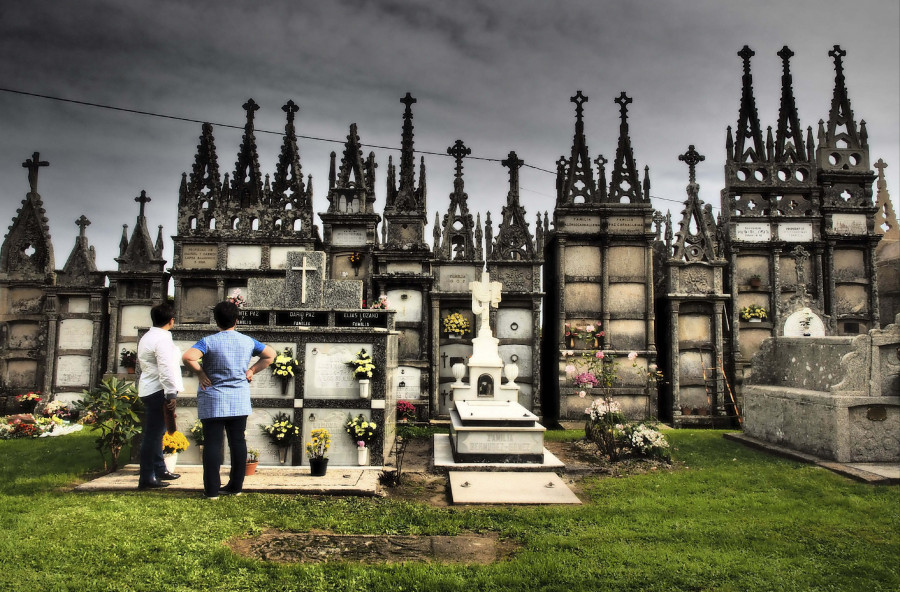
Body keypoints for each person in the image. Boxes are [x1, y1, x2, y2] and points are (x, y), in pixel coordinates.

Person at [182, 301, 275, 499]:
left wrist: (200, 373)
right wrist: (251, 370)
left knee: (213, 444)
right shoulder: (247, 341)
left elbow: (188, 357)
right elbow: (270, 355)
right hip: (238, 398)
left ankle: (212, 490)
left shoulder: (208, 341)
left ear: (215, 320)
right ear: (236, 319)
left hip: (213, 398)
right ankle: (235, 487)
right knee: (238, 442)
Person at [137, 302, 184, 490]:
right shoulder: (162, 339)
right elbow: (166, 367)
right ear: (171, 320)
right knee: (153, 435)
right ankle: (147, 477)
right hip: (159, 390)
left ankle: (159, 468)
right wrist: (171, 392)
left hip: (151, 388)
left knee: (157, 433)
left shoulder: (149, 336)